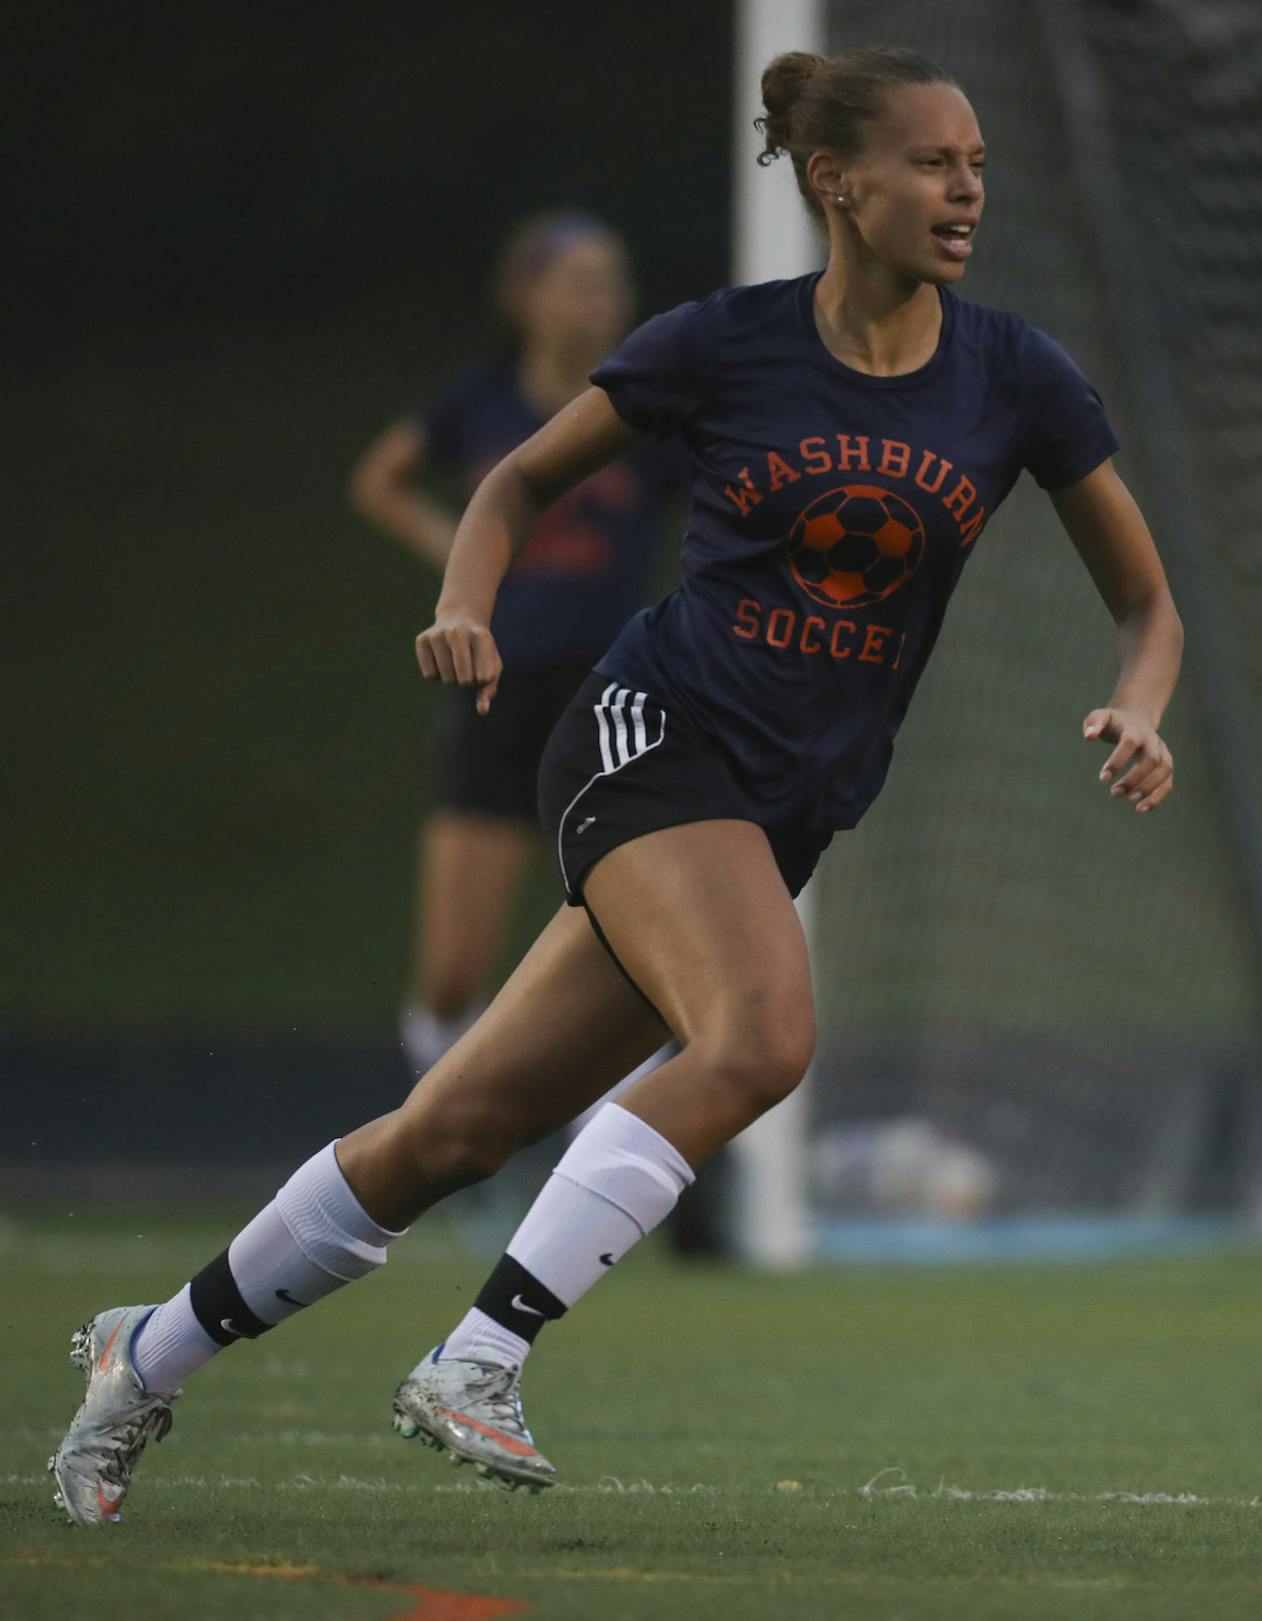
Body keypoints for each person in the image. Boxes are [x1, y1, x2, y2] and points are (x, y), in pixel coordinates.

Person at [50, 44, 1183, 1522]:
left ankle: (148, 1352)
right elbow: (515, 480)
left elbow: (1148, 605)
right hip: (655, 732)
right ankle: (480, 1357)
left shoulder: (1017, 376)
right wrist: (468, 599)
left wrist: (1140, 708)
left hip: (783, 808)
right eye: (932, 161)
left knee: (448, 1134)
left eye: (977, 163)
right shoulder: (723, 342)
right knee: (765, 1034)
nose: (967, 188)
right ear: (838, 183)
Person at [348, 210, 682, 1082]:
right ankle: (440, 1138)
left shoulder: (642, 407)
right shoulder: (480, 401)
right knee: (454, 972)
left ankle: (602, 1131)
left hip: (605, 700)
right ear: (523, 296)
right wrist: (457, 560)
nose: (601, 300)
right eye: (579, 281)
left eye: (613, 283)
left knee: (629, 955)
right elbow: (379, 479)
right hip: (496, 692)